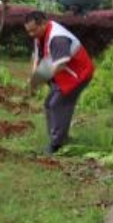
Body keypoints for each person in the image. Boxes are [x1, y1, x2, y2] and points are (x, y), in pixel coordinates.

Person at [24, 10, 94, 155]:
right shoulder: (40, 35)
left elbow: (60, 65)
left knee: (57, 104)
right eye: (28, 31)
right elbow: (37, 58)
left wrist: (38, 80)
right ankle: (57, 138)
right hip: (63, 73)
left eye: (33, 30)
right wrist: (33, 77)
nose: (31, 34)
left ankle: (57, 145)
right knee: (49, 104)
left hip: (78, 74)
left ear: (43, 24)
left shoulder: (58, 37)